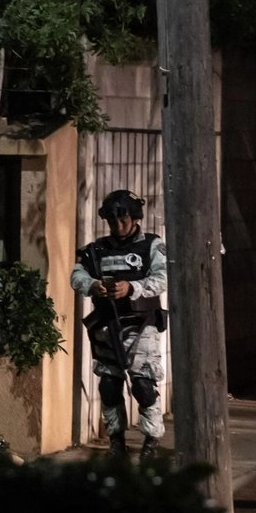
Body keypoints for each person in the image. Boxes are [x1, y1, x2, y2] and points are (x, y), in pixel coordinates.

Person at [71, 190, 168, 459]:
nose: (118, 226)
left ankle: (151, 439)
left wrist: (133, 287)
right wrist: (93, 284)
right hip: (106, 324)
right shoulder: (96, 249)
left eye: (123, 220)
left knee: (143, 385)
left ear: (135, 218)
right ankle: (116, 440)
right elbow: (76, 275)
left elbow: (164, 277)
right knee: (109, 385)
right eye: (113, 221)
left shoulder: (152, 245)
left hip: (142, 324)